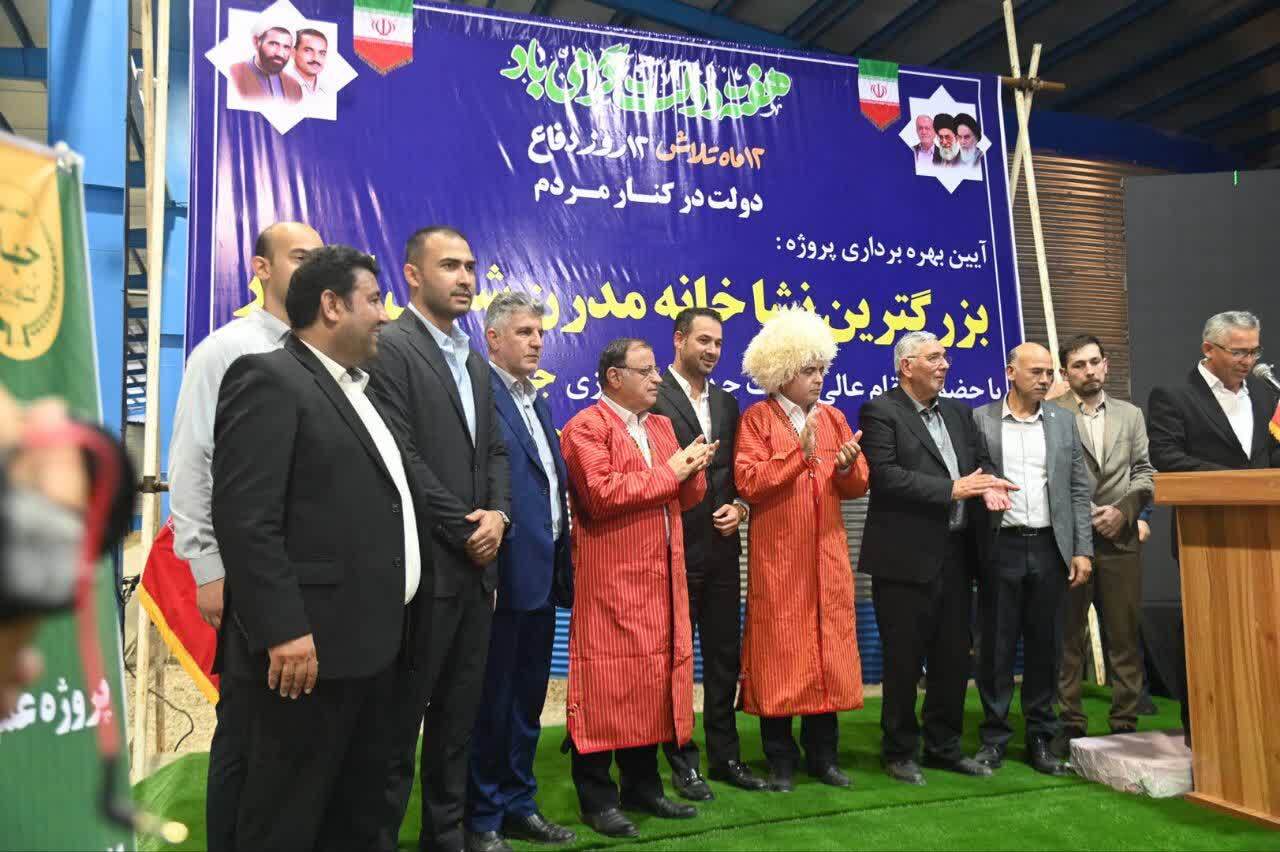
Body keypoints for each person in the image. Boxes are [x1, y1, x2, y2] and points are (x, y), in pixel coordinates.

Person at [211, 245, 422, 850]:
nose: (385, 315)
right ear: (331, 305)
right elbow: (247, 520)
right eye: (374, 300)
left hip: (369, 647)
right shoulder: (269, 378)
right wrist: (283, 629)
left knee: (349, 816)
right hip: (304, 656)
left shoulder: (361, 390)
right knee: (285, 817)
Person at [167, 221, 323, 852]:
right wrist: (208, 568)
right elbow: (191, 464)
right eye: (298, 257)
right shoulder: (225, 350)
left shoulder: (323, 353)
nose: (311, 268)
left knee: (297, 737)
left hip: (311, 580)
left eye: (319, 257)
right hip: (246, 580)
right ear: (261, 269)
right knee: (245, 731)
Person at [365, 226, 511, 852]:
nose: (465, 278)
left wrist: (498, 516)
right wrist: (465, 526)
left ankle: (444, 836)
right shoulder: (390, 347)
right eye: (449, 266)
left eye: (471, 266)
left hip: (476, 571)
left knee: (457, 721)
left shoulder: (473, 359)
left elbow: (495, 452)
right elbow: (400, 456)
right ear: (412, 275)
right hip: (423, 569)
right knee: (398, 725)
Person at [559, 338, 715, 839]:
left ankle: (643, 788)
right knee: (606, 687)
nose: (657, 379)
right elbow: (601, 494)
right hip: (611, 581)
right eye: (646, 371)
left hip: (662, 580)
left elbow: (683, 498)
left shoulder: (662, 426)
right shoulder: (586, 427)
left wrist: (694, 470)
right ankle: (596, 799)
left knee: (651, 685)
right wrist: (671, 471)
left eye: (655, 371)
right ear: (614, 377)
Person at [857, 331, 1015, 786]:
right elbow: (885, 477)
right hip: (904, 559)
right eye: (934, 358)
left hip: (957, 554)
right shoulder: (881, 411)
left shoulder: (959, 413)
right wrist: (953, 489)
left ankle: (944, 747)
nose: (945, 364)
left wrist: (991, 485)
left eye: (945, 357)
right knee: (903, 661)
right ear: (906, 366)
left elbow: (981, 464)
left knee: (952, 659)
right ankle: (899, 751)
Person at [735, 307, 869, 792]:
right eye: (809, 370)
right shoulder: (756, 420)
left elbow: (856, 486)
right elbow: (749, 481)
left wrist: (848, 466)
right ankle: (780, 761)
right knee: (780, 657)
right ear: (781, 372)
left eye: (821, 369)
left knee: (827, 655)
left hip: (828, 559)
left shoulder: (833, 418)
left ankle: (824, 758)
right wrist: (798, 454)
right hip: (780, 564)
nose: (819, 378)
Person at [465, 292, 576, 852]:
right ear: (493, 338)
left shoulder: (539, 400)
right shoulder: (477, 395)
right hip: (499, 576)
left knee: (527, 702)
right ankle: (482, 817)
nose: (536, 342)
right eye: (524, 332)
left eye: (539, 332)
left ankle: (519, 805)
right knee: (492, 703)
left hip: (542, 575)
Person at [1147, 310, 1280, 741]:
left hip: (1266, 534)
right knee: (1209, 633)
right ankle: (1203, 732)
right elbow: (1167, 458)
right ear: (1209, 349)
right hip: (1206, 537)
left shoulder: (1266, 394)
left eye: (1254, 351)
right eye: (1238, 352)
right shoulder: (1174, 396)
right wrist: (1240, 484)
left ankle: (1262, 725)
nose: (1249, 360)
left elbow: (1270, 455)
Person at [649, 307, 765, 799]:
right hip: (671, 550)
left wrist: (741, 507)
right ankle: (682, 762)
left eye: (718, 342)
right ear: (679, 340)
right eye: (703, 340)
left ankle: (726, 757)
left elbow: (736, 473)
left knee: (722, 658)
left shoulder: (727, 402)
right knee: (676, 660)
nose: (713, 350)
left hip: (721, 551)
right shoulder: (653, 396)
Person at [971, 343, 1092, 776]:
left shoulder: (1063, 421)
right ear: (1010, 372)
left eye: (1049, 373)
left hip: (1049, 548)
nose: (1045, 379)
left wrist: (1082, 549)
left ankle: (1041, 736)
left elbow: (1078, 488)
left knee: (1046, 647)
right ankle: (994, 737)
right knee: (995, 647)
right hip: (999, 546)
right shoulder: (980, 419)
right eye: (1036, 371)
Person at [1054, 335, 1153, 744]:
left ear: (1106, 365)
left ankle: (1125, 721)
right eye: (1079, 365)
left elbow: (1144, 472)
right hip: (1069, 543)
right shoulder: (1050, 413)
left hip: (1120, 541)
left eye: (1095, 362)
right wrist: (1084, 517)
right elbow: (1047, 476)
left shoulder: (1131, 415)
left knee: (1124, 635)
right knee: (1067, 638)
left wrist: (1124, 512)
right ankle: (1069, 724)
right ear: (1065, 373)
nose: (1089, 371)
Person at [229, 25, 303, 103]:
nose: (280, 54)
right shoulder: (232, 75)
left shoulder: (294, 87)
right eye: (273, 44)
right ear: (256, 42)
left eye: (286, 47)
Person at [288, 28, 329, 103]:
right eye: (308, 51)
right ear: (293, 52)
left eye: (321, 53)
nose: (316, 58)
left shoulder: (329, 90)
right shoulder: (281, 87)